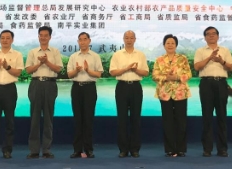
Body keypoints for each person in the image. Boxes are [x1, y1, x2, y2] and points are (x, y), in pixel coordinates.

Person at [194, 26, 232, 157]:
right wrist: (210, 58)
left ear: (218, 36)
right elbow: (197, 67)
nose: (211, 35)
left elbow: (230, 67)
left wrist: (221, 60)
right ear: (205, 37)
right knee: (207, 116)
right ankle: (207, 149)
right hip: (206, 83)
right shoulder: (200, 51)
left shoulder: (225, 50)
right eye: (208, 34)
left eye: (214, 33)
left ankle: (222, 149)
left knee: (222, 116)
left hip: (221, 83)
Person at [0, 30, 24, 159]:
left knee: (9, 121)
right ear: (0, 39)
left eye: (8, 38)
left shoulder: (17, 55)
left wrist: (7, 67)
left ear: (12, 40)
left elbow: (18, 73)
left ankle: (7, 150)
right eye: (2, 38)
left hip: (10, 89)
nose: (5, 40)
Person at [109, 30, 149, 158]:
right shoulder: (117, 55)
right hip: (122, 87)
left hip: (136, 87)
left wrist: (136, 70)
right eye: (127, 38)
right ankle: (123, 149)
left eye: (131, 38)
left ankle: (135, 149)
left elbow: (146, 72)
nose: (129, 40)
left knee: (136, 118)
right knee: (122, 119)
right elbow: (112, 72)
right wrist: (126, 68)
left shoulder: (140, 55)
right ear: (123, 39)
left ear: (135, 39)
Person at [25, 26, 63, 159]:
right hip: (36, 84)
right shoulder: (32, 52)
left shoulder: (55, 51)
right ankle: (34, 150)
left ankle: (46, 149)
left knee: (48, 118)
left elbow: (58, 69)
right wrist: (40, 64)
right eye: (41, 35)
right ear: (38, 37)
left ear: (50, 37)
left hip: (50, 84)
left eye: (46, 35)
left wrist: (47, 61)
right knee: (34, 118)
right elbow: (28, 70)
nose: (43, 37)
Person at [152, 34, 192, 157]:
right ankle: (169, 149)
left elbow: (189, 74)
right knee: (167, 122)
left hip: (180, 93)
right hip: (165, 93)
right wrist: (166, 77)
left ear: (176, 45)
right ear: (164, 45)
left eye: (172, 43)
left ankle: (181, 149)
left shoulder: (182, 59)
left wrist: (177, 77)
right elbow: (154, 76)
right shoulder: (159, 59)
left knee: (181, 121)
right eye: (168, 43)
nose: (170, 45)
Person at [67, 32, 103, 158]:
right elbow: (69, 75)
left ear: (89, 41)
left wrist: (88, 70)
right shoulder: (73, 56)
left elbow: (98, 74)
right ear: (78, 42)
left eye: (85, 39)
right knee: (77, 119)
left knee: (88, 119)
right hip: (76, 87)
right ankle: (77, 150)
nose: (82, 42)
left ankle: (88, 149)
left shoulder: (95, 56)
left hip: (90, 88)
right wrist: (76, 70)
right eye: (80, 40)